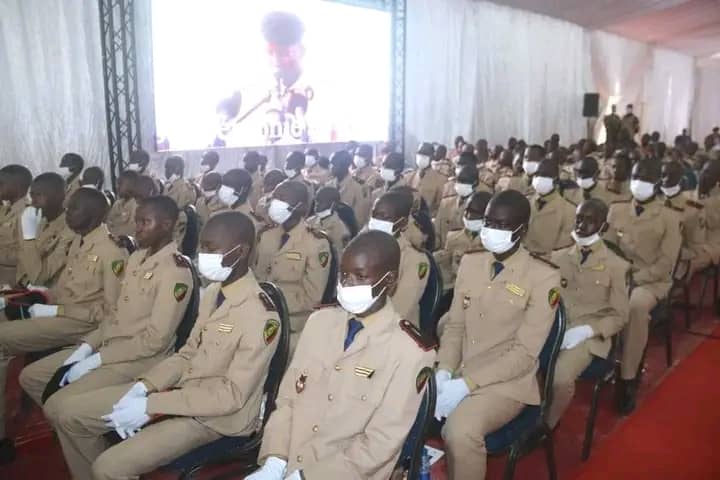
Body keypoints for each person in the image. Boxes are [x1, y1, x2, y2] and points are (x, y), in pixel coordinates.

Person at [47, 211, 280, 479]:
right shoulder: (215, 292)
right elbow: (188, 353)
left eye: (210, 248)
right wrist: (143, 386)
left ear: (241, 251)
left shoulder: (260, 315)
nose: (201, 255)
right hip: (182, 391)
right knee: (68, 415)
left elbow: (230, 397)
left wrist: (152, 403)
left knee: (108, 467)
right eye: (202, 246)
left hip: (215, 420)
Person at [247, 231, 435, 480]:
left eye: (360, 276)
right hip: (288, 461)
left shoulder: (409, 351)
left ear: (389, 281)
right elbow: (288, 400)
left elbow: (380, 443)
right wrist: (274, 460)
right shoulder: (320, 322)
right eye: (344, 275)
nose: (347, 285)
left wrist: (307, 476)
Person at [20, 197, 192, 447]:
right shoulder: (137, 258)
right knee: (31, 376)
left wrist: (97, 360)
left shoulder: (175, 272)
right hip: (107, 343)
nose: (137, 228)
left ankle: (87, 446)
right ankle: (79, 435)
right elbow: (115, 315)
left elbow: (154, 341)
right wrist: (86, 348)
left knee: (59, 409)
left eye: (145, 222)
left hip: (137, 358)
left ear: (166, 225)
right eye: (137, 221)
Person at [435, 189, 560, 480]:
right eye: (489, 222)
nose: (491, 230)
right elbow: (455, 327)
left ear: (522, 230)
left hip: (507, 383)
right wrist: (443, 370)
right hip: (460, 368)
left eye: (502, 226)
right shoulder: (472, 261)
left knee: (459, 431)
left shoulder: (543, 277)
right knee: (400, 401)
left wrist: (467, 384)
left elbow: (525, 354)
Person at [0, 188, 127, 462]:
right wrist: (38, 302)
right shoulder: (80, 242)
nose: (68, 214)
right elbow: (53, 282)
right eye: (68, 208)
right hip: (62, 314)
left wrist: (53, 309)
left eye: (74, 209)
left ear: (93, 214)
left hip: (82, 325)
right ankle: (62, 422)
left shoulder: (111, 252)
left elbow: (111, 313)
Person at [605, 158, 682, 413]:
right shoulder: (616, 209)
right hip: (617, 275)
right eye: (636, 177)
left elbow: (666, 263)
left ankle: (627, 378)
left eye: (647, 179)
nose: (639, 183)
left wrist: (636, 278)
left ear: (657, 183)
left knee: (635, 305)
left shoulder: (669, 217)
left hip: (650, 281)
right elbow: (604, 248)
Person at [548, 199, 630, 427]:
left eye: (590, 221)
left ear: (603, 228)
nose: (581, 225)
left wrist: (587, 331)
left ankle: (547, 425)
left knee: (560, 376)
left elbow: (620, 316)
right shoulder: (558, 258)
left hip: (588, 336)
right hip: (553, 326)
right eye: (579, 218)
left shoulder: (617, 266)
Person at [254, 180, 331, 350]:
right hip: (258, 314)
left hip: (293, 322)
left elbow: (313, 297)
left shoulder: (316, 243)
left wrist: (272, 303)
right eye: (275, 197)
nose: (275, 202)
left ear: (301, 207)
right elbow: (256, 276)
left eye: (282, 198)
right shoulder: (266, 235)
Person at [368, 191, 428, 327]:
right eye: (374, 214)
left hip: (394, 328)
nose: (376, 220)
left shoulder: (414, 259)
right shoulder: (364, 245)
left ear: (403, 223)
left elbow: (401, 308)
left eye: (384, 217)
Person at [15, 173, 75, 288]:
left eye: (39, 195)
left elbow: (38, 278)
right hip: (23, 289)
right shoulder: (38, 221)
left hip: (48, 297)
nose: (33, 202)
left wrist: (29, 237)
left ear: (59, 196)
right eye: (32, 195)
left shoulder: (71, 229)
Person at [434, 191, 490, 292]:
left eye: (475, 213)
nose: (468, 216)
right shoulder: (453, 237)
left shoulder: (493, 245)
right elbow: (447, 267)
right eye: (466, 211)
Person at [660, 160, 706, 276]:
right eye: (663, 175)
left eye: (671, 177)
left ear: (682, 181)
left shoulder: (692, 209)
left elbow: (695, 249)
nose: (665, 180)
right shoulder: (654, 201)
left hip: (675, 263)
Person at [524, 159, 575, 256]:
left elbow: (563, 249)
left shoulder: (569, 210)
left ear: (555, 180)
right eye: (537, 174)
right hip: (522, 260)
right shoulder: (526, 201)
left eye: (545, 175)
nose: (539, 178)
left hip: (548, 263)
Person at [0, 165, 32, 285]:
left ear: (17, 187)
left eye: (1, 183)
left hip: (11, 281)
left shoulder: (27, 214)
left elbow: (26, 254)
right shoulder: (6, 210)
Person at [435, 165, 479, 248]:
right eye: (459, 181)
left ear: (475, 183)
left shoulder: (479, 207)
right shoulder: (445, 203)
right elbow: (436, 232)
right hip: (443, 253)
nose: (461, 184)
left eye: (465, 181)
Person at [328, 150, 370, 227]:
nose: (331, 167)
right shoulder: (329, 184)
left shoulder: (358, 186)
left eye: (334, 164)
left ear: (344, 166)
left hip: (349, 230)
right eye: (330, 164)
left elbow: (359, 217)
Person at [306, 186, 351, 255]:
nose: (316, 205)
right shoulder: (310, 221)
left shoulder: (340, 229)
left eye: (321, 202)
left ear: (333, 204)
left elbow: (338, 256)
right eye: (316, 201)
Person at [405, 142, 446, 216]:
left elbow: (440, 207)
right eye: (419, 154)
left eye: (425, 154)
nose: (421, 157)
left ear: (432, 157)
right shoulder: (408, 177)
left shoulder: (441, 180)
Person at [106, 171, 140, 237]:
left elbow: (130, 230)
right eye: (117, 184)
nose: (117, 187)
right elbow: (108, 222)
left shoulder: (136, 206)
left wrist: (111, 231)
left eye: (120, 184)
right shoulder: (117, 203)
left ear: (132, 185)